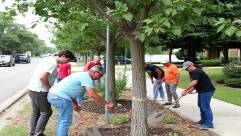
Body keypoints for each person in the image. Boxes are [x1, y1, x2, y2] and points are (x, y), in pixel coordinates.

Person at [47, 65, 113, 136]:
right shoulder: (87, 78)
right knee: (65, 121)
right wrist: (106, 104)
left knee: (63, 119)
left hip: (54, 95)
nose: (100, 78)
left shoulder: (82, 75)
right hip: (60, 96)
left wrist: (75, 104)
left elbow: (70, 92)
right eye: (100, 75)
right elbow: (92, 94)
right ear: (95, 72)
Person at [27, 50, 75, 136]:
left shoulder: (49, 59)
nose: (67, 62)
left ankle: (33, 133)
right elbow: (42, 77)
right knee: (46, 112)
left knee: (36, 112)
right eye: (68, 60)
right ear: (63, 56)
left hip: (33, 89)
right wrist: (50, 87)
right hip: (40, 90)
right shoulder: (52, 63)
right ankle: (38, 134)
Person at [181, 61, 215, 130]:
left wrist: (185, 90)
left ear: (191, 65)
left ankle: (209, 124)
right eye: (185, 69)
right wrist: (192, 89)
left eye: (187, 68)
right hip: (202, 90)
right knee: (200, 105)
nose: (186, 70)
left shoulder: (197, 71)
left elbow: (194, 82)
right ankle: (203, 121)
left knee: (205, 106)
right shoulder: (191, 72)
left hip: (207, 90)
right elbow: (197, 82)